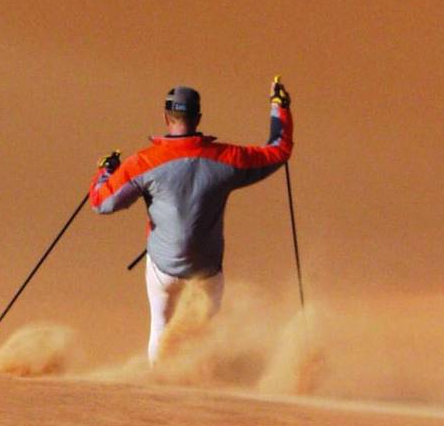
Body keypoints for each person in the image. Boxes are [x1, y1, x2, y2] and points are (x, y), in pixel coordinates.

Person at [89, 79, 294, 364]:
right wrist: (279, 107)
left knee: (160, 327)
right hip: (206, 271)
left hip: (163, 267)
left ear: (165, 117)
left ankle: (159, 385)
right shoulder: (228, 158)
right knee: (203, 335)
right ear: (197, 118)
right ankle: (198, 382)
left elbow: (102, 202)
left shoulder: (144, 163)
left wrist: (105, 172)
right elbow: (278, 151)